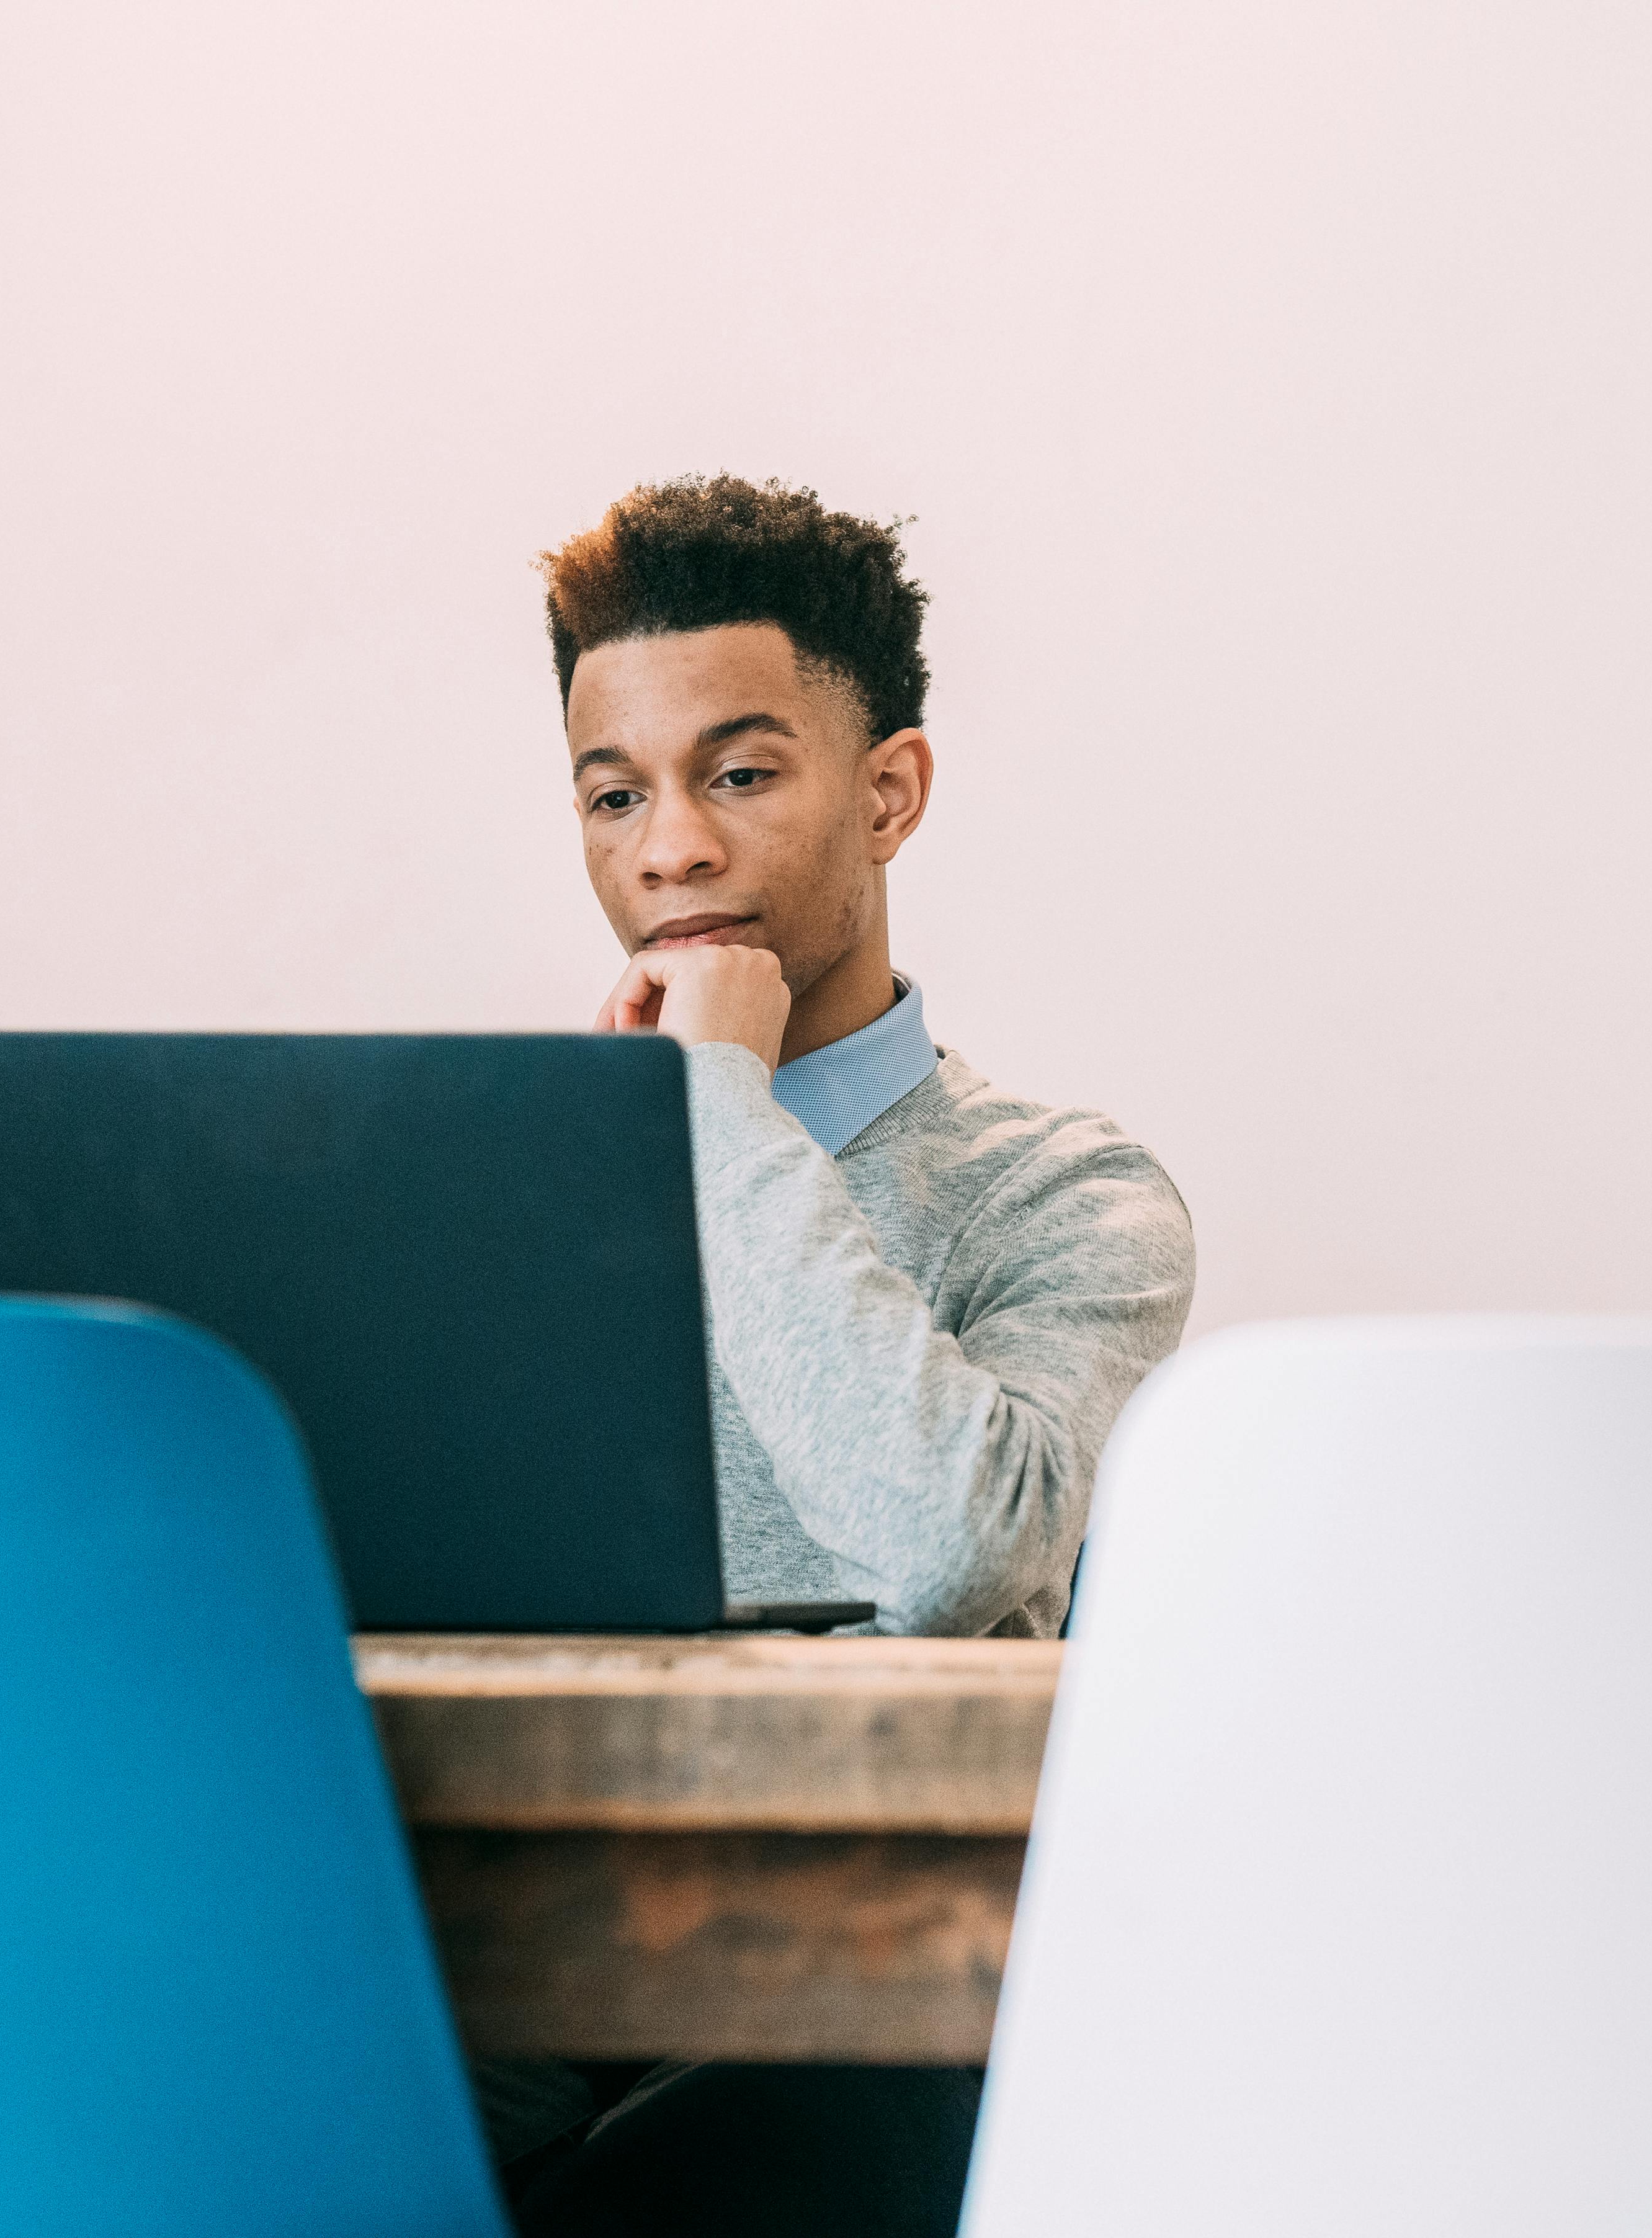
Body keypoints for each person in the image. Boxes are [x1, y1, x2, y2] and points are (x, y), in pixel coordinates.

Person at [491, 475, 1196, 2237]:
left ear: (888, 792)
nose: (668, 853)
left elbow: (952, 1551)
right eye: (612, 795)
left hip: (872, 1989)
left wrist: (717, 1120)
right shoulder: (507, 1191)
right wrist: (584, 1169)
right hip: (530, 1947)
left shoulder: (1068, 1196)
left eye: (738, 774)